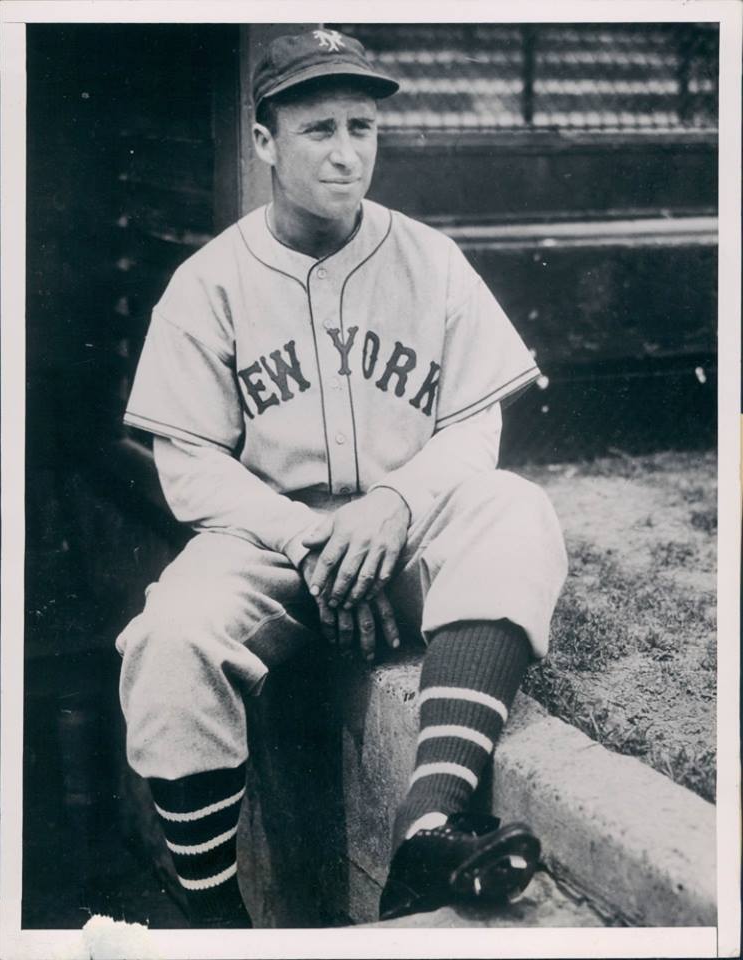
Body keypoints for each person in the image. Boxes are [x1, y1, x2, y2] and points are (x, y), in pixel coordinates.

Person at [115, 28, 568, 927]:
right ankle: (212, 922)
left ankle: (428, 829)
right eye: (318, 128)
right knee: (168, 637)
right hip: (272, 548)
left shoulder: (430, 259)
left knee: (516, 510)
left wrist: (397, 504)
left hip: (407, 533)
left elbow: (477, 418)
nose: (347, 150)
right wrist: (312, 535)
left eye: (363, 126)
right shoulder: (206, 284)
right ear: (263, 141)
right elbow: (190, 461)